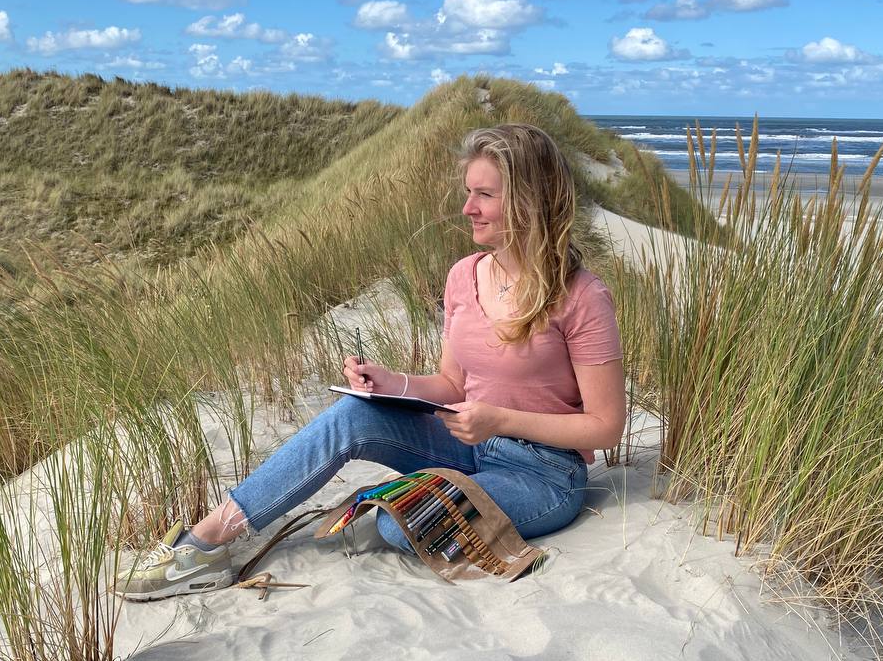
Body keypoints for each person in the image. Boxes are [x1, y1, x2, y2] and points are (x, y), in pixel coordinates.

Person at [116, 123, 627, 601]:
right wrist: (391, 382)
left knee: (396, 523)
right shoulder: (464, 276)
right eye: (468, 192)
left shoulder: (581, 296)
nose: (467, 207)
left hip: (542, 476)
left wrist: (500, 420)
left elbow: (606, 427)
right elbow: (452, 384)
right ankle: (206, 543)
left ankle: (399, 497)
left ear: (530, 199)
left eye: (485, 195)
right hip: (468, 444)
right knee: (354, 415)